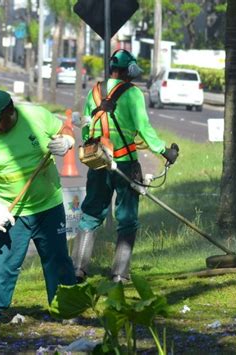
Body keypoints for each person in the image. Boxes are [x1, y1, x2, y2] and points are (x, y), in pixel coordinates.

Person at [0, 90, 77, 324]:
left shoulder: (35, 116)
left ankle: (67, 308)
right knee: (0, 264)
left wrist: (66, 141)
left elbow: (64, 129)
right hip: (9, 213)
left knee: (57, 259)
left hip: (48, 206)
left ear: (10, 111)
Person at [71, 49, 179, 283]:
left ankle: (77, 269)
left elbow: (87, 128)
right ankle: (120, 273)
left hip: (98, 161)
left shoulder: (95, 91)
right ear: (129, 71)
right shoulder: (133, 93)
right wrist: (164, 151)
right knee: (127, 218)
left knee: (90, 214)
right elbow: (143, 128)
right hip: (125, 164)